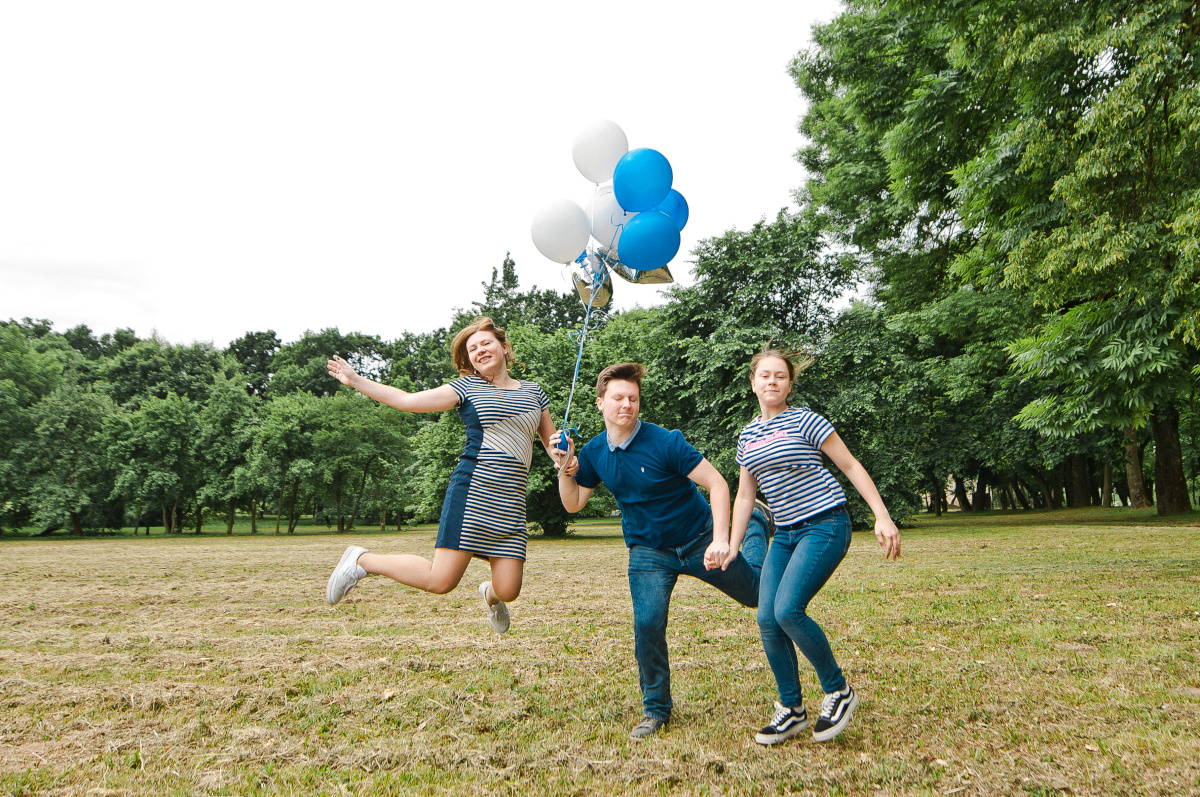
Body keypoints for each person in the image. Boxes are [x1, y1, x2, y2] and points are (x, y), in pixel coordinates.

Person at [552, 362, 774, 740]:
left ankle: (751, 523)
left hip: (699, 537)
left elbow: (718, 485)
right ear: (600, 403)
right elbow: (573, 505)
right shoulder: (591, 452)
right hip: (648, 552)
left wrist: (722, 539)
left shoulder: (665, 441)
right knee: (647, 624)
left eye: (633, 398)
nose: (627, 405)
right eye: (618, 398)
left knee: (757, 595)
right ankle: (656, 709)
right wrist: (563, 469)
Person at [324, 316, 567, 634]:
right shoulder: (467, 388)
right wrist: (357, 380)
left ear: (504, 348)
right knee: (441, 581)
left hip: (511, 502)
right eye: (472, 349)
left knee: (508, 590)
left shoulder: (535, 393)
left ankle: (489, 596)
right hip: (473, 494)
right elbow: (406, 401)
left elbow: (551, 447)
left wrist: (562, 451)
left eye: (486, 343)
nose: (480, 350)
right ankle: (363, 561)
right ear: (470, 362)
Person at [731, 347, 900, 746]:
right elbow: (744, 497)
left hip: (825, 524)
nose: (772, 381)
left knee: (788, 609)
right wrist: (732, 544)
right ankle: (791, 710)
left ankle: (839, 691)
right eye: (765, 375)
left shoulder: (806, 420)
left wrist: (882, 515)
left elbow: (851, 466)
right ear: (753, 382)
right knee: (768, 619)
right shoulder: (747, 435)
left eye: (780, 376)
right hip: (784, 534)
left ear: (790, 384)